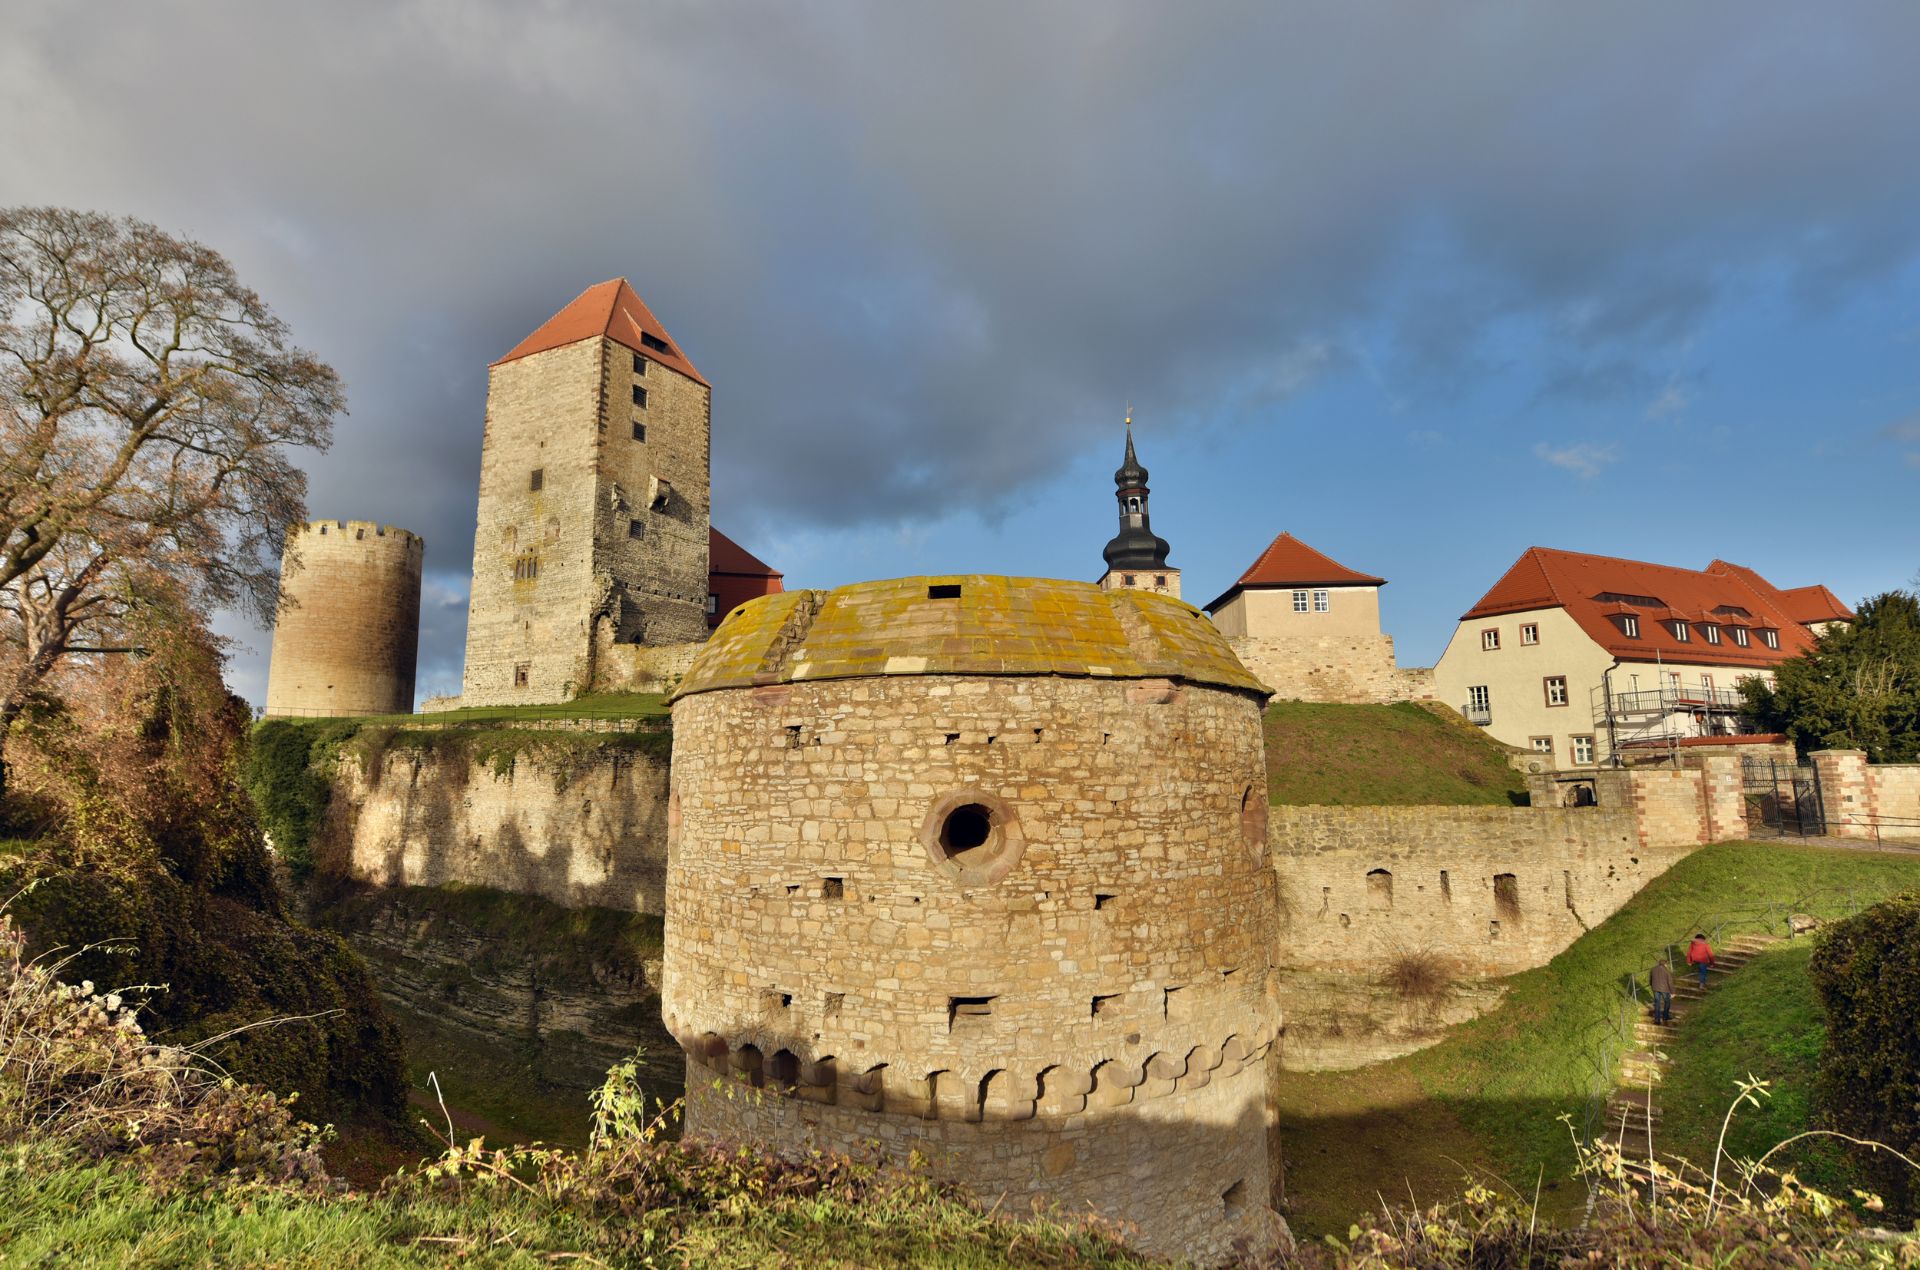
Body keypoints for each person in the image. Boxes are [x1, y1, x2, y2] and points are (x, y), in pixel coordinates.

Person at [1650, 957, 1674, 1024]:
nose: (1667, 965)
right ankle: (1665, 1016)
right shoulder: (1666, 971)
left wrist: (1652, 986)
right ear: (1665, 964)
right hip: (1665, 989)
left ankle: (1657, 1020)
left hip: (1655, 988)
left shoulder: (1653, 969)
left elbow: (1651, 979)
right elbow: (1670, 982)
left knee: (1657, 1003)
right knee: (1667, 1002)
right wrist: (1673, 992)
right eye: (1667, 964)